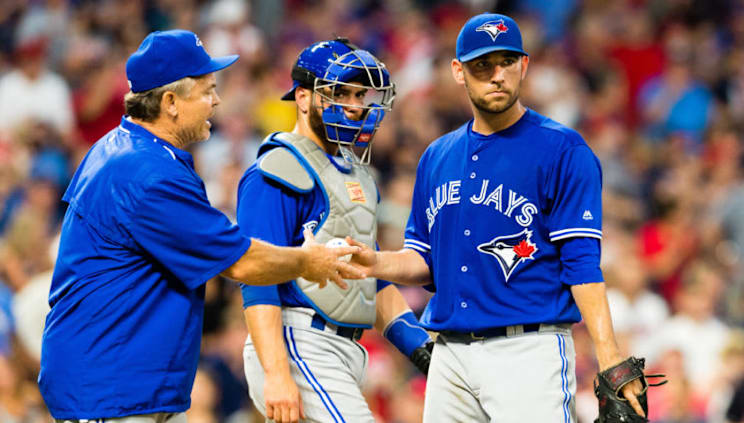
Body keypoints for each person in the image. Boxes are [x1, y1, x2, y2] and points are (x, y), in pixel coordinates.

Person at [38, 30, 363, 423]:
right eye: (208, 90)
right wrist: (308, 261)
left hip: (123, 381)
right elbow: (242, 263)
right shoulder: (145, 172)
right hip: (109, 386)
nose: (217, 100)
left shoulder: (124, 148)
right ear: (171, 102)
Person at [347, 13, 647, 422]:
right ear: (459, 72)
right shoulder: (436, 157)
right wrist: (375, 262)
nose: (496, 75)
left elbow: (582, 264)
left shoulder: (562, 150)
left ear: (524, 65)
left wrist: (609, 356)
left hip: (527, 351)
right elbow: (425, 261)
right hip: (449, 355)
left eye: (506, 62)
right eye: (482, 65)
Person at [237, 39, 433, 423]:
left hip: (342, 351)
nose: (356, 105)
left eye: (361, 93)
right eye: (340, 92)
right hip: (296, 341)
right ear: (304, 98)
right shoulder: (277, 169)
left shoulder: (354, 174)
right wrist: (277, 374)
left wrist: (421, 349)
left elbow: (368, 278)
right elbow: (256, 277)